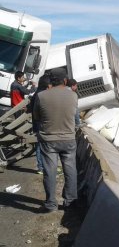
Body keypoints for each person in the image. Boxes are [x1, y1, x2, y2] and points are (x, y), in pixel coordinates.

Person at [33, 68, 78, 212]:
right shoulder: (73, 96)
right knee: (70, 169)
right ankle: (70, 201)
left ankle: (51, 204)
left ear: (51, 80)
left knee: (49, 171)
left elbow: (36, 117)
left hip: (49, 140)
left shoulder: (41, 96)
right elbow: (74, 115)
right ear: (65, 80)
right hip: (69, 139)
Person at [27, 74, 52, 174]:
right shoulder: (41, 95)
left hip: (38, 123)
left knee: (41, 145)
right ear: (47, 84)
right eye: (50, 84)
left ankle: (43, 167)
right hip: (40, 124)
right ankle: (41, 167)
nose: (51, 86)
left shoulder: (38, 93)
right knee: (40, 146)